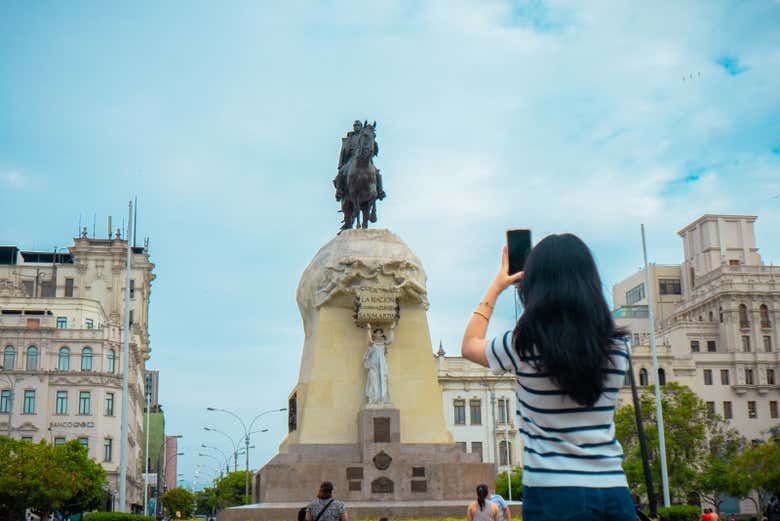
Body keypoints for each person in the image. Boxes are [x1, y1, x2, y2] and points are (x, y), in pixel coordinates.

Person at [461, 234, 634, 521]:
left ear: (533, 286)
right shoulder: (617, 347)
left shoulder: (522, 346)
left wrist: (498, 285)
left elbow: (469, 344)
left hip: (553, 493)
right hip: (614, 490)